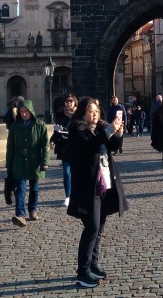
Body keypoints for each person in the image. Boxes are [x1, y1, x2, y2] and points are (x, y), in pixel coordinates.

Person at [66, 97, 128, 288]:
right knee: (91, 228)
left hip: (104, 182)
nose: (95, 115)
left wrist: (118, 134)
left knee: (99, 227)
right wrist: (109, 131)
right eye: (91, 111)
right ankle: (82, 272)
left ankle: (93, 264)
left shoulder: (101, 128)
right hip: (88, 186)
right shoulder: (77, 130)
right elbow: (90, 147)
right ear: (83, 113)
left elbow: (112, 148)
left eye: (97, 111)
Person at [6, 99, 49, 227]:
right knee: (20, 188)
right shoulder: (14, 127)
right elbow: (10, 147)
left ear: (31, 111)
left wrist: (44, 162)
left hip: (34, 161)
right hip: (19, 162)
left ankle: (32, 210)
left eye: (26, 111)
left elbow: (45, 145)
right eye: (22, 111)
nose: (24, 114)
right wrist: (9, 165)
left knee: (34, 188)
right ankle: (20, 215)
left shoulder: (40, 125)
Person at [51, 94, 78, 207]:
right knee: (66, 173)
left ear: (74, 103)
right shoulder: (60, 116)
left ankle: (77, 195)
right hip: (65, 149)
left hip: (77, 149)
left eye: (70, 101)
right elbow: (56, 132)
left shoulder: (78, 116)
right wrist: (52, 140)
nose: (68, 103)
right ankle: (68, 196)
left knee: (77, 174)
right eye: (67, 101)